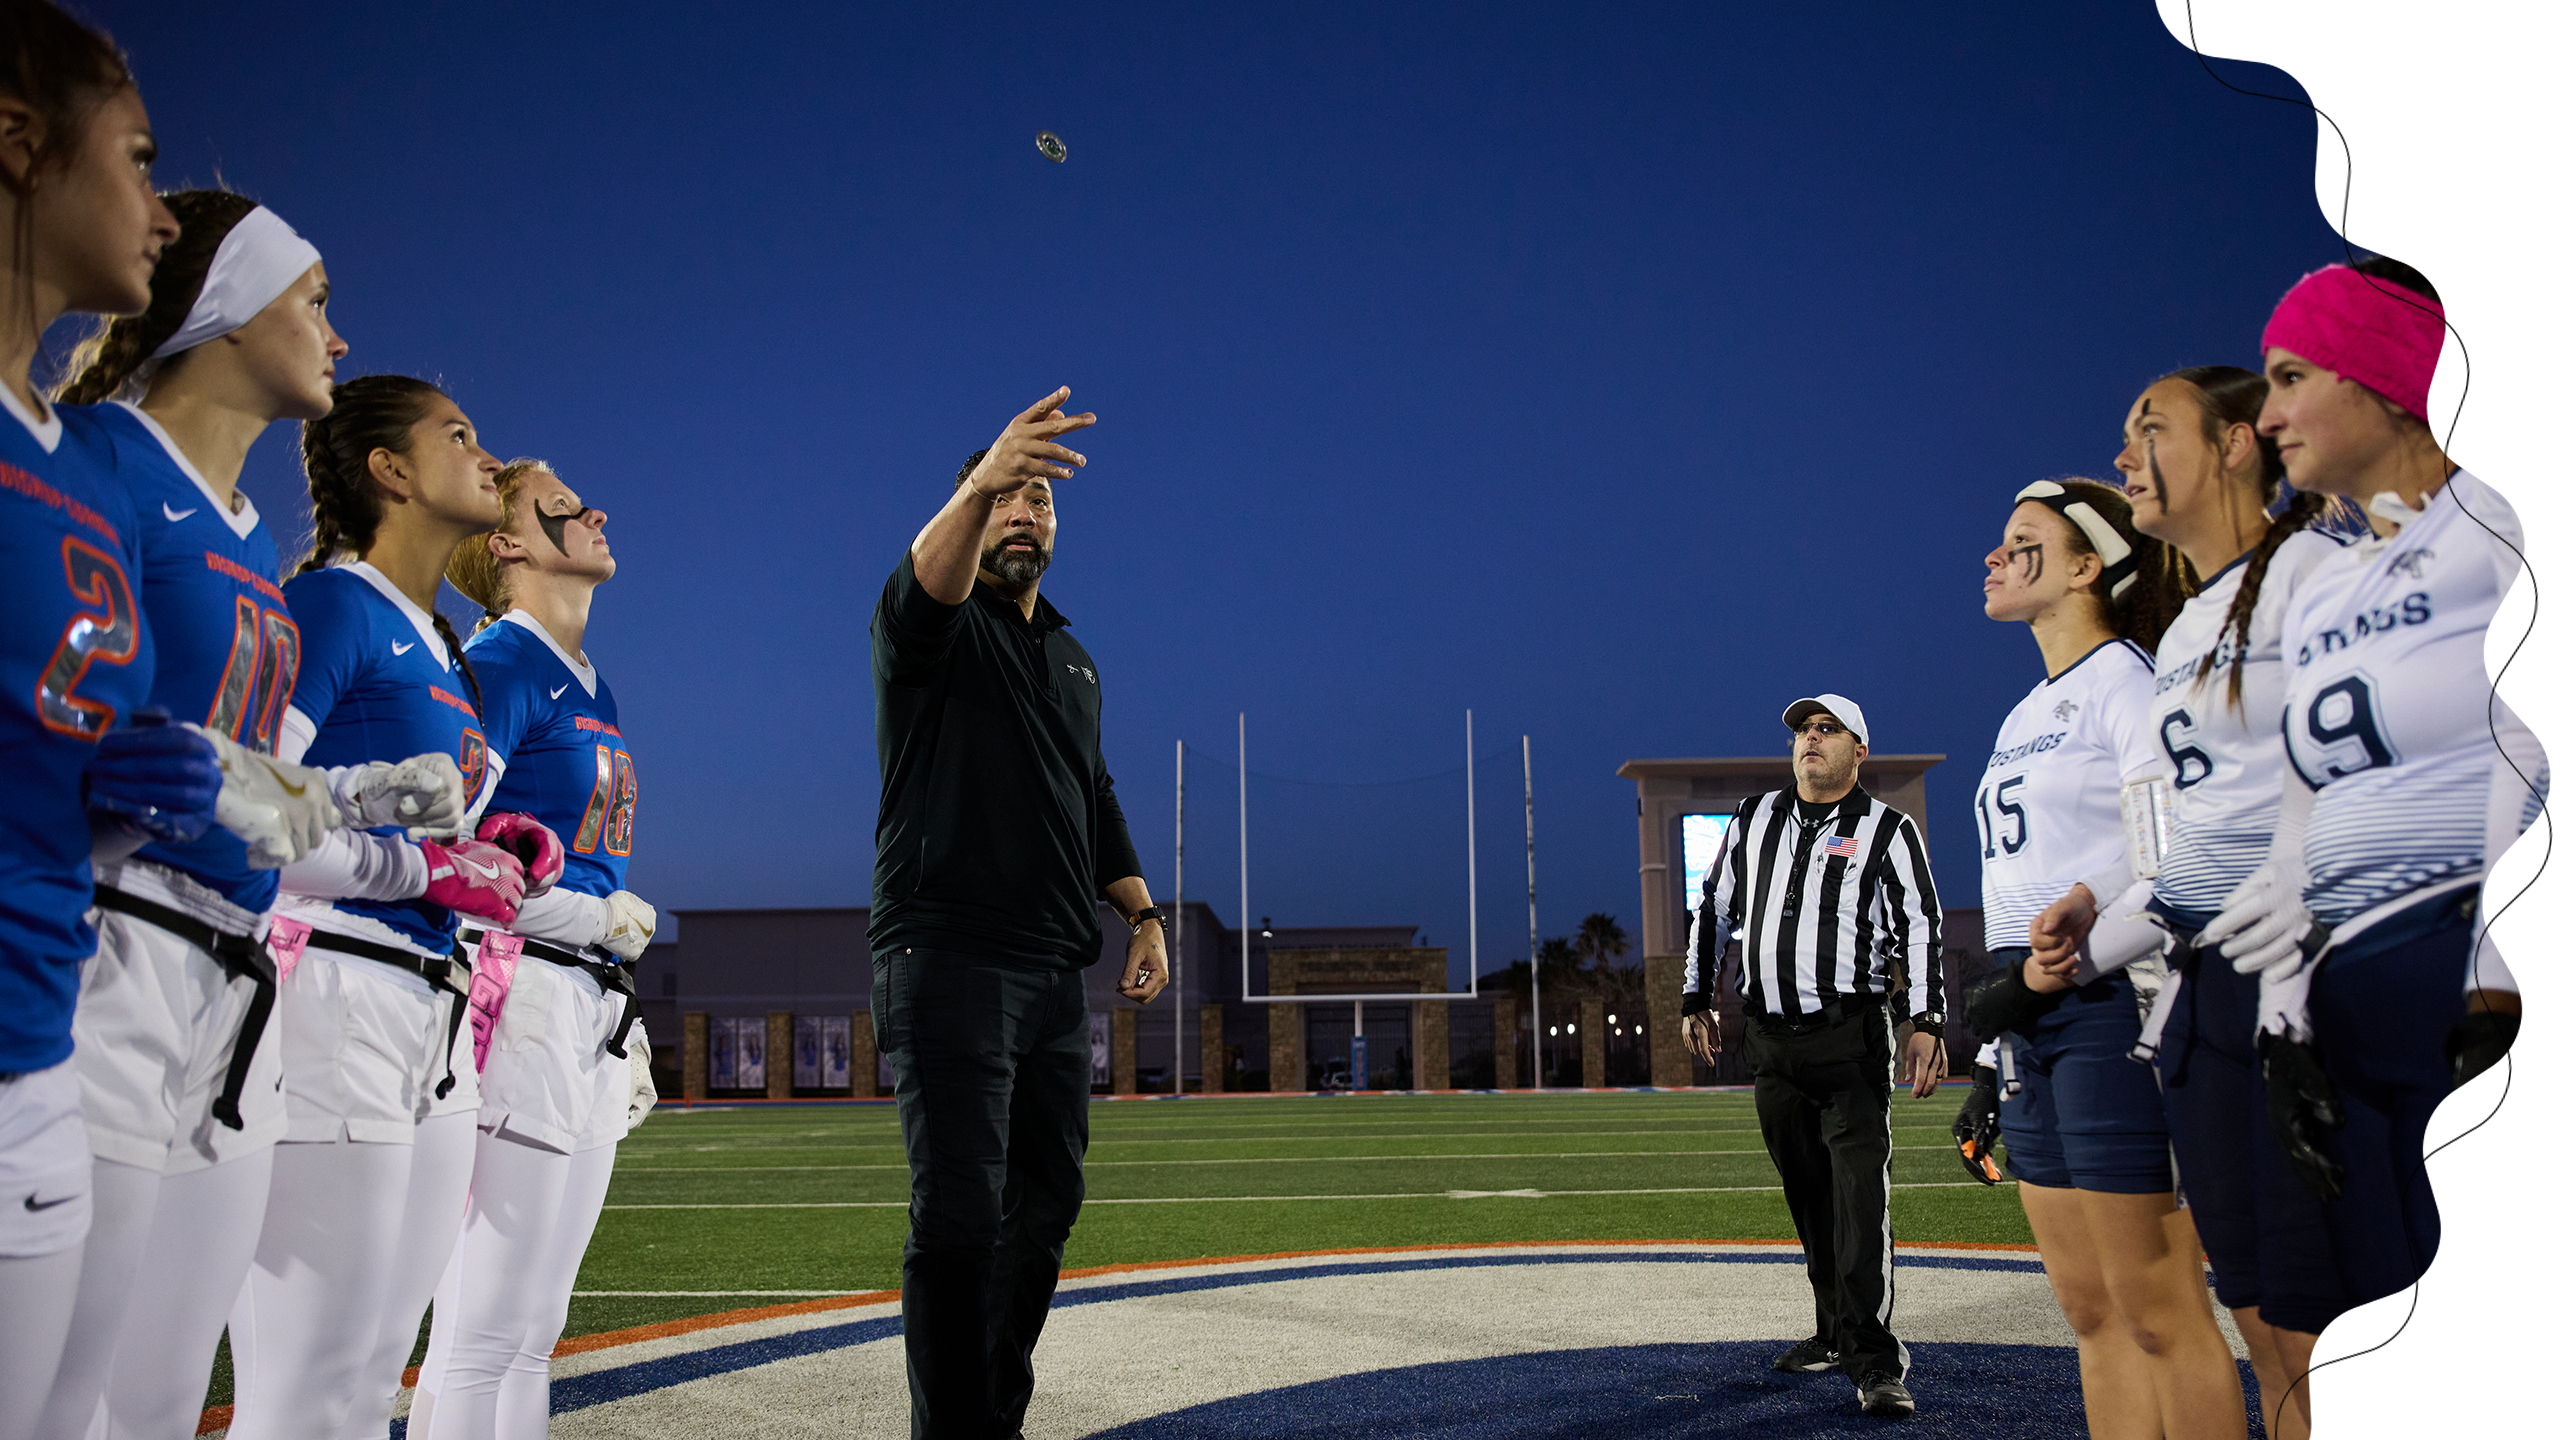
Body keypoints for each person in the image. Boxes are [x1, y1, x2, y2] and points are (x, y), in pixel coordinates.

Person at [38, 191, 462, 1440]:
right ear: (223, 308)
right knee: (66, 1403)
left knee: (165, 1401)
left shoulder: (245, 548)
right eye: (314, 300)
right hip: (103, 958)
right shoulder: (96, 462)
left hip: (232, 995)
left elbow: (245, 798)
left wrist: (366, 815)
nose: (336, 337)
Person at [2207, 250, 2548, 1432]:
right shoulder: (2334, 583)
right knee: (2409, 1353)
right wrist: (2290, 1020)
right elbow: (2315, 811)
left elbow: (2534, 733)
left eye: (2294, 373)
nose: (2267, 412)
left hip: (2473, 972)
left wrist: (2504, 997)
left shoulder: (2502, 516)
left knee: (2518, 1371)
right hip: (2358, 999)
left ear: (2393, 376)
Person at [2028, 371, 2404, 1438]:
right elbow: (2179, 837)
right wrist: (2102, 905)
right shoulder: (2189, 628)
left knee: (2337, 1322)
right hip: (2205, 985)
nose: (2125, 458)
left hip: (2308, 973)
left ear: (2237, 443)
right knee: (2267, 1317)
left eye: (2149, 430)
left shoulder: (2319, 575)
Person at [223, 375, 562, 1440]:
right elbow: (244, 805)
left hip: (434, 1013)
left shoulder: (444, 644)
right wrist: (420, 872)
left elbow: (416, 824)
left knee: (373, 1377)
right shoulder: (331, 602)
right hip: (335, 987)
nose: (487, 458)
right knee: (306, 1384)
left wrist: (486, 848)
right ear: (391, 471)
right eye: (459, 435)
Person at [870, 386, 1166, 1438]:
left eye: (1038, 498)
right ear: (968, 512)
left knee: (1041, 1212)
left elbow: (1093, 791)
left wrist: (1142, 913)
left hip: (1051, 973)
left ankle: (987, 1418)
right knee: (957, 1220)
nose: (1023, 511)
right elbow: (923, 580)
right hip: (946, 955)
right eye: (1003, 498)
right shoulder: (933, 627)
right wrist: (984, 477)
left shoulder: (1074, 656)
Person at [0, 10, 198, 1437]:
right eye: (135, 159)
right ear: (20, 143)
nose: (163, 205)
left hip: (39, 1054)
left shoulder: (79, 469)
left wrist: (121, 795)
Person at [1963, 478, 2252, 1439]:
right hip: (2031, 1011)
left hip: (2111, 1003)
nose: (1995, 557)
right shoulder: (2021, 714)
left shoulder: (2132, 681)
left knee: (2159, 1305)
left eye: (2022, 540)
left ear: (2087, 564)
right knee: (2089, 1309)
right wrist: (2002, 1030)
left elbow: (2169, 845)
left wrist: (2075, 953)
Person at [407, 457, 659, 1438]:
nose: (595, 511)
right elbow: (440, 851)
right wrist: (590, 925)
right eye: (564, 508)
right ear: (509, 545)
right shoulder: (502, 665)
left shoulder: (590, 677)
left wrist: (606, 966)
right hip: (518, 994)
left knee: (531, 1326)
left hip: (583, 1003)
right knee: (485, 1324)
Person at [2392, 0, 2550, 1239]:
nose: (2410, 85)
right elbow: (2528, 703)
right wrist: (2500, 995)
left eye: (2453, 29)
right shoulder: (2524, 389)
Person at [1679, 692, 1946, 1420]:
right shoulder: (1754, 817)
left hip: (1849, 1040)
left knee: (1861, 1201)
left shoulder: (1888, 831)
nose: (1810, 739)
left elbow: (1919, 925)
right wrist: (1695, 995)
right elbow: (1715, 907)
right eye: (1803, 729)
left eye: (1828, 729)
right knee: (1810, 1199)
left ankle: (1875, 1358)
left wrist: (1925, 1018)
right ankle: (1832, 1329)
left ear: (1860, 751)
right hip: (1771, 1041)